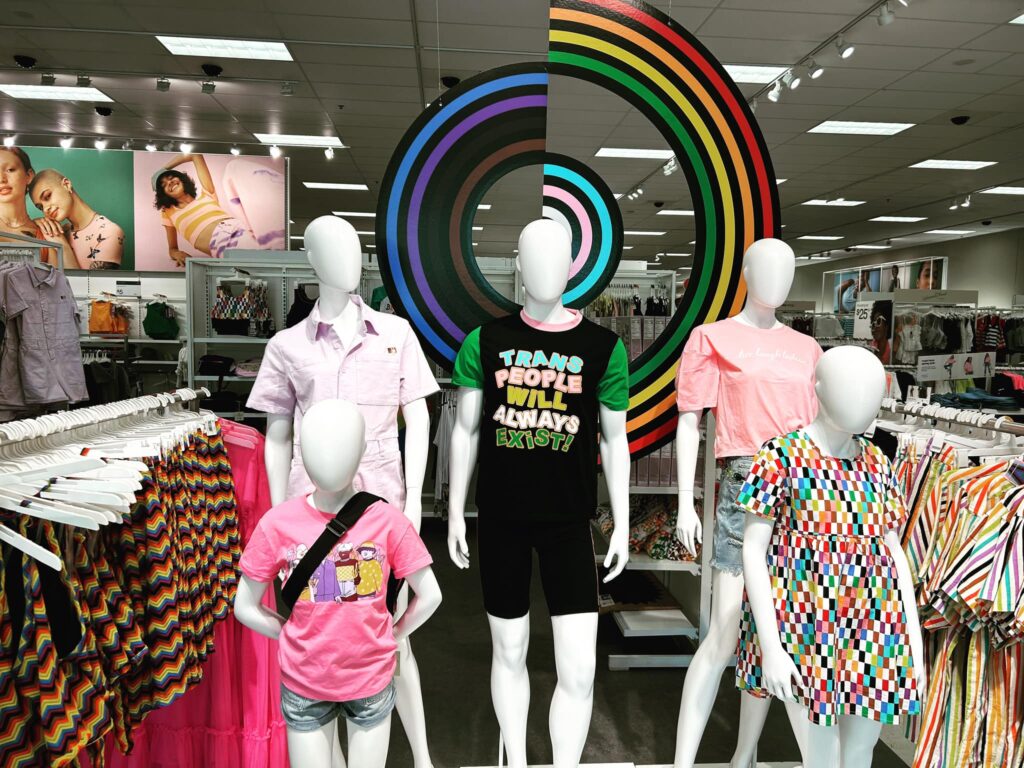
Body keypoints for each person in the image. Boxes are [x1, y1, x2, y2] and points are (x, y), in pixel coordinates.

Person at [153, 153, 259, 265]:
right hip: (222, 245)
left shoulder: (207, 194)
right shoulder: (168, 212)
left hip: (242, 228)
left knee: (272, 255)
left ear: (182, 179)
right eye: (164, 185)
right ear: (163, 194)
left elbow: (196, 155)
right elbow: (172, 249)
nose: (169, 182)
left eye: (171, 178)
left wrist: (164, 169)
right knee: (261, 265)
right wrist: (177, 254)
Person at [27, 169, 124, 270]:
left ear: (66, 185)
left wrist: (63, 247)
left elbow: (91, 285)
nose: (46, 209)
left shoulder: (109, 232)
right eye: (40, 207)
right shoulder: (59, 233)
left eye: (47, 196)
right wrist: (34, 225)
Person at [0, 146, 69, 267]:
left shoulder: (46, 233)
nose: (1, 179)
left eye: (10, 170)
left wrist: (62, 245)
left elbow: (68, 282)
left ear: (29, 175)